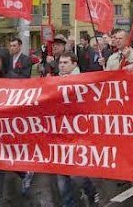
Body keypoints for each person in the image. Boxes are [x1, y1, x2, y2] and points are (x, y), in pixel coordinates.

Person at [0, 48, 34, 207]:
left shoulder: (14, 79)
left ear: (5, 60)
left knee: (2, 160)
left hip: (10, 127)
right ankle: (24, 174)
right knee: (0, 160)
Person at [56, 53, 99, 206]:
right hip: (60, 133)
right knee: (62, 177)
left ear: (74, 64)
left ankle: (90, 190)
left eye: (66, 62)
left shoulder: (83, 82)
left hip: (78, 134)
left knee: (76, 174)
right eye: (60, 62)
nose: (62, 65)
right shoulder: (54, 82)